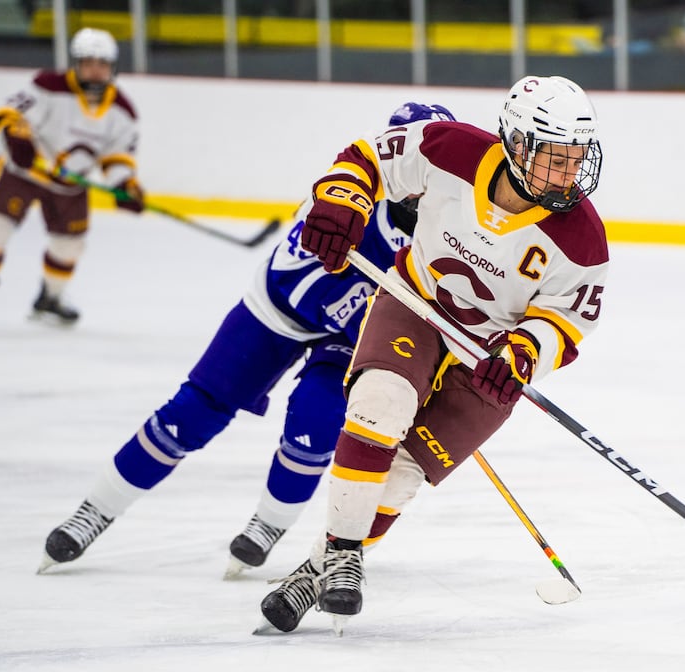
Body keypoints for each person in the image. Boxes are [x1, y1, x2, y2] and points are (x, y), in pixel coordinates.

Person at [38, 102, 458, 578]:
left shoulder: (445, 224)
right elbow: (301, 277)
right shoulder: (350, 189)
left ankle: (268, 525)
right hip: (278, 308)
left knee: (316, 424)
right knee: (191, 413)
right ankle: (95, 510)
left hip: (352, 334)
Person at [257, 75, 609, 635]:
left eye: (576, 159)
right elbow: (370, 156)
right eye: (556, 159)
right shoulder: (451, 150)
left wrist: (523, 353)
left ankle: (317, 570)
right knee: (380, 403)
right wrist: (342, 199)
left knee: (401, 474)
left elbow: (568, 320)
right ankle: (346, 555)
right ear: (518, 146)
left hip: (489, 360)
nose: (571, 174)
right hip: (416, 304)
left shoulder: (583, 239)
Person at [0, 28, 143, 326]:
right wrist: (17, 139)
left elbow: (118, 156)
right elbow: (8, 114)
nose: (96, 71)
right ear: (77, 63)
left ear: (112, 67)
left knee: (69, 244)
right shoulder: (48, 85)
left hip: (71, 185)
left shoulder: (122, 111)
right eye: (89, 63)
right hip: (23, 172)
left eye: (102, 64)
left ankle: (51, 298)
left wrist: (125, 185)